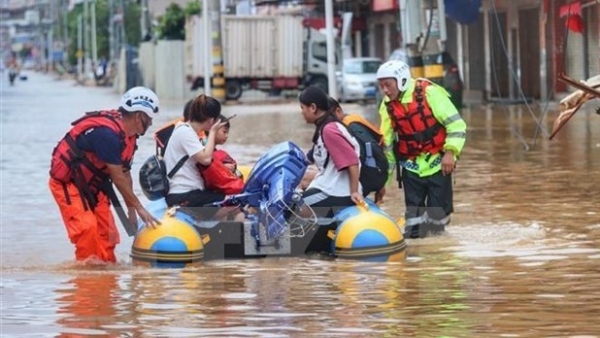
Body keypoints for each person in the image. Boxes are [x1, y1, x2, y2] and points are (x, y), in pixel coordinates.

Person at [49, 86, 161, 263]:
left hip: (95, 185)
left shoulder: (129, 136)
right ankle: (87, 282)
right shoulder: (107, 135)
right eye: (149, 119)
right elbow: (117, 178)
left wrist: (131, 211)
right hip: (69, 184)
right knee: (87, 230)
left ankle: (107, 282)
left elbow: (125, 174)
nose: (151, 124)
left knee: (108, 235)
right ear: (139, 116)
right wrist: (140, 208)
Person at [376, 60, 467, 238]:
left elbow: (457, 125)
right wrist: (382, 183)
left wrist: (451, 153)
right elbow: (386, 147)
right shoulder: (387, 106)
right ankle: (416, 258)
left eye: (388, 85)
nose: (385, 90)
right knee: (414, 227)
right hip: (411, 167)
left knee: (437, 223)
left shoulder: (430, 93)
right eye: (381, 86)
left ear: (401, 80)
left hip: (438, 164)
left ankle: (437, 258)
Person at [164, 94, 244, 221]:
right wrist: (212, 132)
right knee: (236, 205)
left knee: (226, 202)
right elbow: (206, 159)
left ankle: (218, 236)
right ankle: (236, 240)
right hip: (183, 195)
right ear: (211, 120)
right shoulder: (184, 132)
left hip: (192, 193)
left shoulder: (188, 131)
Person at [299, 86, 363, 218]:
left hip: (338, 192)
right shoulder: (325, 126)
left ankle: (297, 238)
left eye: (302, 108)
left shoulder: (329, 130)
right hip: (333, 187)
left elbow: (352, 162)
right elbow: (310, 157)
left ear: (312, 108)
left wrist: (354, 192)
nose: (302, 113)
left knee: (293, 208)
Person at [198, 114, 244, 194]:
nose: (227, 136)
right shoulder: (202, 148)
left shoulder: (214, 150)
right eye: (224, 132)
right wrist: (222, 168)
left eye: (227, 132)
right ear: (212, 129)